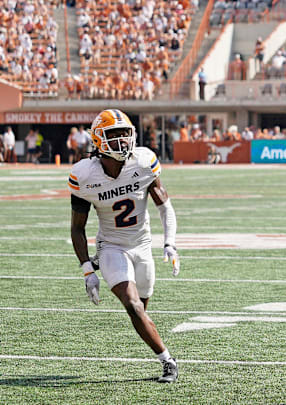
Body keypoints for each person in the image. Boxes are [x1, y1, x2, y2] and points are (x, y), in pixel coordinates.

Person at [68, 109, 180, 383]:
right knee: (131, 305)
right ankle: (168, 361)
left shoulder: (143, 162)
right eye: (113, 134)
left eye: (124, 133)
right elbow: (77, 227)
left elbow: (165, 207)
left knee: (141, 306)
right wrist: (86, 269)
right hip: (111, 246)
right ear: (98, 140)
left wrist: (170, 244)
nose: (121, 140)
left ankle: (153, 342)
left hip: (142, 246)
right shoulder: (85, 175)